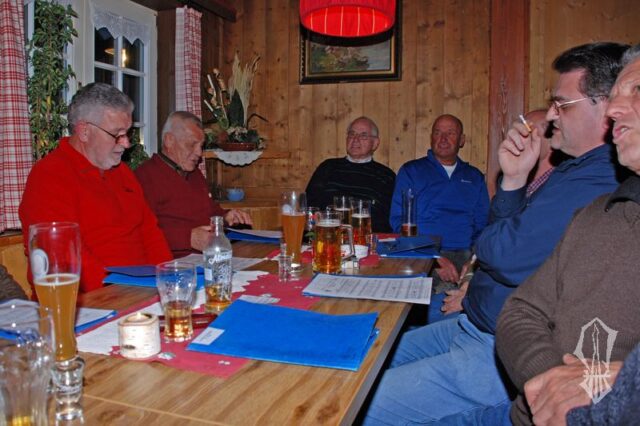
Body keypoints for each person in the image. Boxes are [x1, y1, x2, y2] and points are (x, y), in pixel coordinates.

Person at [362, 42, 628, 425]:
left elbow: (499, 251)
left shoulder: (597, 180)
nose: (552, 115)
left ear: (605, 108)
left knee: (359, 401)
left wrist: (482, 248)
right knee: (366, 353)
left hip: (494, 348)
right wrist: (514, 182)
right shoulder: (570, 171)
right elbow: (499, 240)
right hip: (472, 322)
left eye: (561, 105)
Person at [496, 43, 640, 426]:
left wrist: (610, 388)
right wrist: (552, 384)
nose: (614, 109)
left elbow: (502, 254)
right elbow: (519, 311)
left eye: (637, 91)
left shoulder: (589, 182)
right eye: (614, 95)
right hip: (527, 397)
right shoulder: (598, 212)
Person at [19, 83, 172, 292]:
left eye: (127, 133)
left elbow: (150, 233)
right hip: (91, 298)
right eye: (117, 134)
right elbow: (63, 258)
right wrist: (123, 292)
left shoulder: (122, 172)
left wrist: (168, 280)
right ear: (84, 131)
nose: (126, 143)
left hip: (142, 291)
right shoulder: (49, 176)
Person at [390, 114, 490, 323]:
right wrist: (435, 259)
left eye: (450, 133)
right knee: (438, 304)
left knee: (484, 297)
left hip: (466, 255)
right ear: (431, 138)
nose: (443, 138)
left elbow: (482, 226)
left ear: (461, 140)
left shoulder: (474, 176)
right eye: (438, 133)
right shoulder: (412, 171)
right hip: (422, 253)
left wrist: (473, 263)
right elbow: (399, 222)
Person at [135, 111, 252, 257]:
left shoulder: (194, 174)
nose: (199, 153)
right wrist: (188, 238)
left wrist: (226, 218)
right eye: (192, 145)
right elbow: (138, 233)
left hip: (206, 258)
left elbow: (211, 212)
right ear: (169, 140)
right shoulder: (145, 177)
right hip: (172, 263)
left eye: (201, 146)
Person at [305, 116, 395, 232]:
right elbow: (309, 207)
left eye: (363, 135)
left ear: (375, 143)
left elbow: (387, 219)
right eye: (352, 134)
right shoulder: (328, 167)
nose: (355, 139)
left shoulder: (386, 176)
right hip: (326, 235)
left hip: (365, 237)